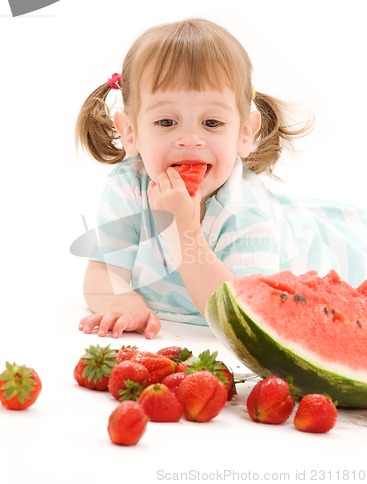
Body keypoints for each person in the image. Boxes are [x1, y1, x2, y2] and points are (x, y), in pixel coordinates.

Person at [75, 17, 367, 340]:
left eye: (211, 123)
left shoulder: (245, 212)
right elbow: (102, 271)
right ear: (130, 133)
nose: (189, 139)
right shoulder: (127, 186)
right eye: (166, 121)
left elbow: (240, 312)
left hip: (330, 250)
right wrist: (123, 300)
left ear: (244, 134)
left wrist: (183, 229)